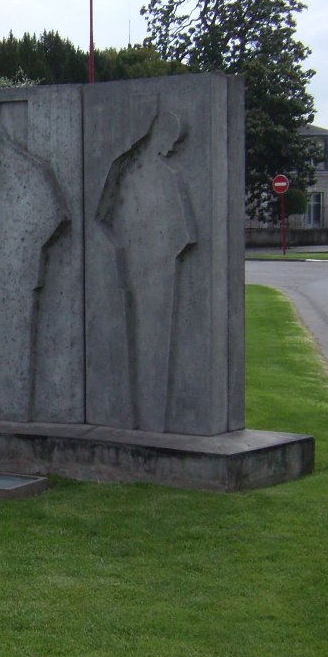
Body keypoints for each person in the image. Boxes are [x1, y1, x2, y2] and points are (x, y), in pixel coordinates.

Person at [96, 111, 197, 431]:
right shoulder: (153, 174)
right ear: (159, 132)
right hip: (149, 270)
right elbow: (184, 234)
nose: (172, 149)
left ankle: (147, 417)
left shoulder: (127, 169)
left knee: (150, 345)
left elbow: (105, 219)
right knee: (150, 344)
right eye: (171, 141)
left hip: (145, 267)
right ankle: (148, 418)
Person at [0, 120, 69, 421]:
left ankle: (17, 411)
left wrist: (30, 250)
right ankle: (9, 410)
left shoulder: (33, 170)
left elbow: (57, 215)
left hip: (17, 269)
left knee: (18, 340)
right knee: (4, 342)